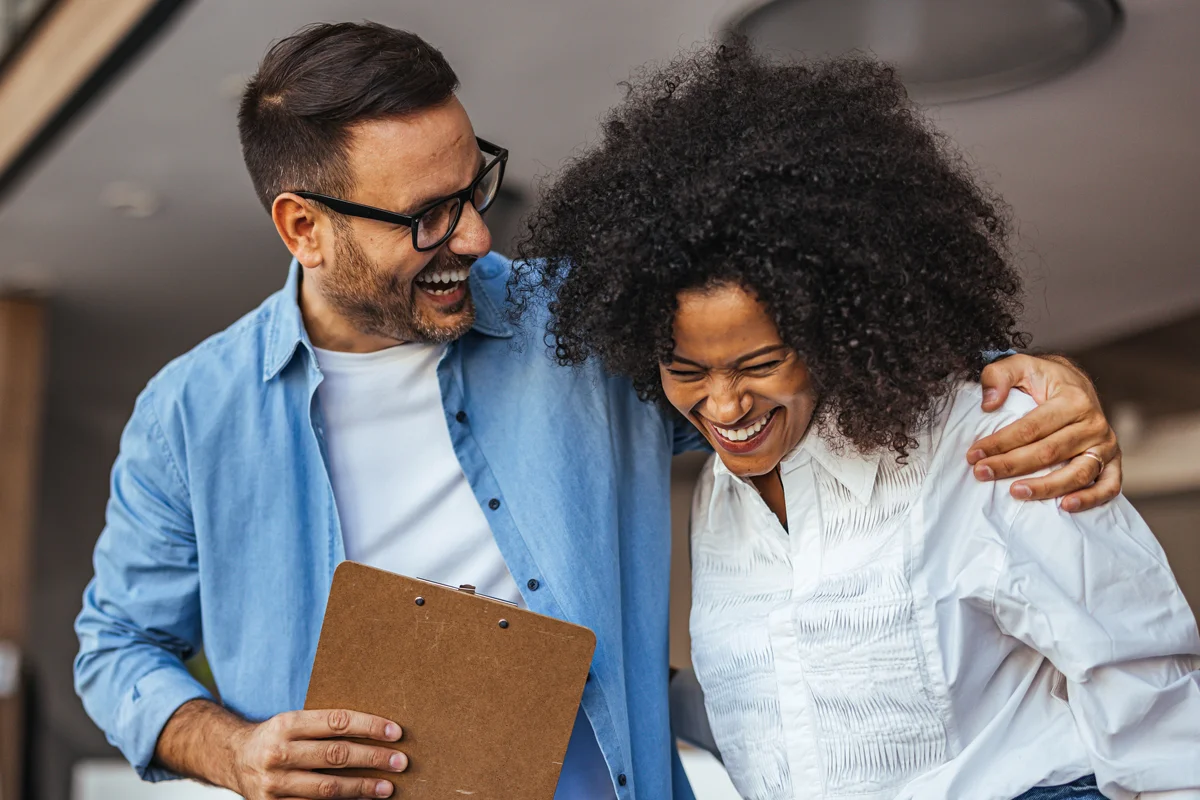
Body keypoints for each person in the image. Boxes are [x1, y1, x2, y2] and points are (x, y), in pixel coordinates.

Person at [75, 23, 1123, 800]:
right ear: (303, 226)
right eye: (427, 216)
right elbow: (115, 646)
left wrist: (1010, 373)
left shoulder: (579, 325)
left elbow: (799, 356)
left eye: (474, 187)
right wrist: (234, 750)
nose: (475, 237)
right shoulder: (188, 416)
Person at [513, 41, 1200, 800]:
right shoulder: (720, 495)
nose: (726, 406)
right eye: (687, 371)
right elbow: (786, 717)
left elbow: (1158, 711)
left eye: (760, 363)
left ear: (836, 329)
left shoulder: (992, 441)